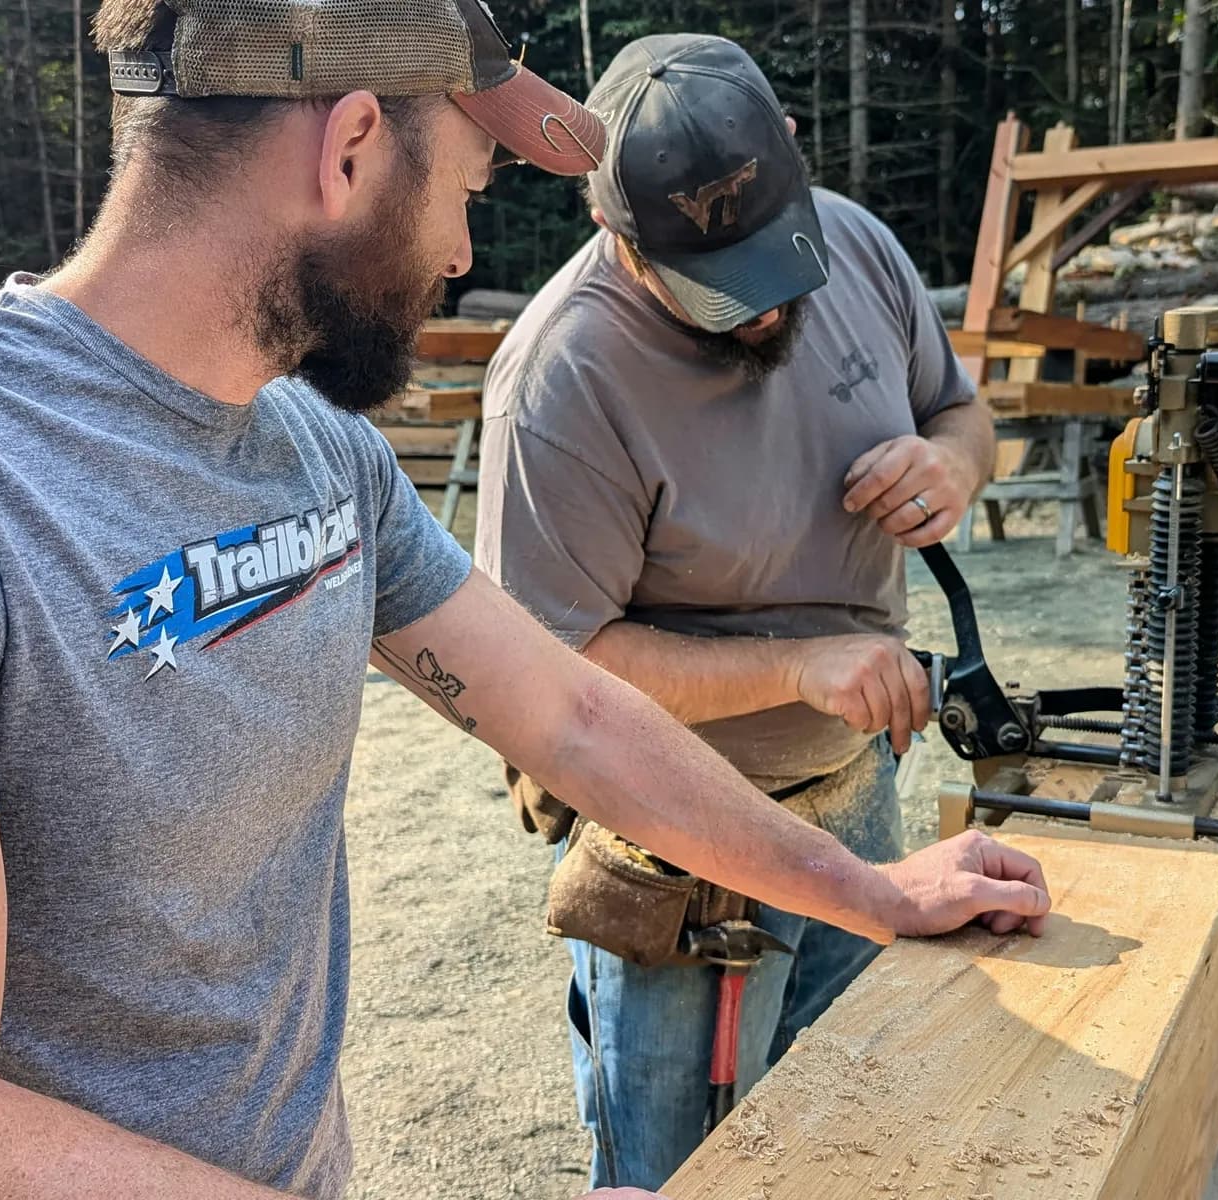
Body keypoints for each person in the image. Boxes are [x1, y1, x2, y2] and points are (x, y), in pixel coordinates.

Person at [0, 4, 1050, 1199]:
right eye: (462, 182)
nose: (460, 251)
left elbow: (570, 713)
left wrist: (870, 892)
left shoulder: (316, 453)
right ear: (345, 152)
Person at [472, 34, 998, 1190]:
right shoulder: (564, 376)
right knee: (681, 1171)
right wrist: (802, 668)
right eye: (717, 287)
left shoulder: (858, 248)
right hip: (682, 841)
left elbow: (964, 416)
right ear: (617, 231)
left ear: (794, 156)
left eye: (772, 265)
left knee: (846, 1124)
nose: (760, 314)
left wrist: (952, 466)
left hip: (858, 788)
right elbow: (551, 668)